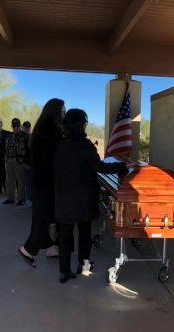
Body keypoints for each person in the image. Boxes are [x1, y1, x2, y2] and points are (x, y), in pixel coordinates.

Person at [54, 109, 126, 283]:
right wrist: (119, 167)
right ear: (81, 124)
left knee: (64, 235)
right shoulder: (85, 145)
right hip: (83, 197)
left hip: (63, 197)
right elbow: (99, 167)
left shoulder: (60, 145)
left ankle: (64, 271)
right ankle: (83, 264)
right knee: (85, 232)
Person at [19, 98, 65, 265]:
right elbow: (53, 158)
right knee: (44, 218)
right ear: (54, 112)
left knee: (49, 217)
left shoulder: (44, 130)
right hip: (46, 183)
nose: (64, 113)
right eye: (62, 110)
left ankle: (51, 248)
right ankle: (28, 249)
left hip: (43, 181)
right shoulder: (49, 132)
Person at [3, 118, 30, 205]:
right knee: (10, 180)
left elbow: (28, 149)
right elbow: (5, 148)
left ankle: (22, 199)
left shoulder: (25, 135)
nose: (15, 127)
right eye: (14, 125)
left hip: (20, 161)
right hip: (9, 159)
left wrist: (27, 161)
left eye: (17, 125)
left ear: (20, 125)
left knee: (21, 180)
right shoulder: (9, 136)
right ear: (11, 126)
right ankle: (11, 198)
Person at [22, 121, 32, 206]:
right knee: (29, 183)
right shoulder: (32, 136)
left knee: (28, 183)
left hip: (27, 163)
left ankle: (29, 199)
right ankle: (29, 199)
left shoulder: (24, 137)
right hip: (28, 163)